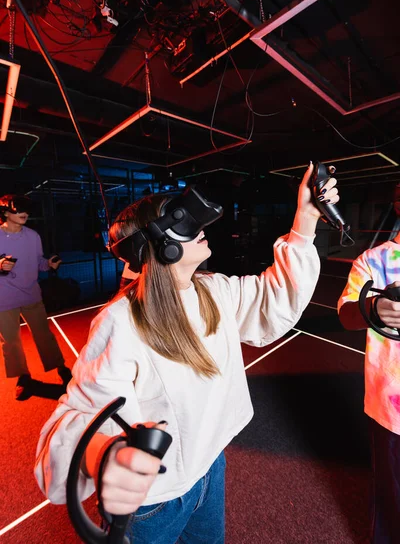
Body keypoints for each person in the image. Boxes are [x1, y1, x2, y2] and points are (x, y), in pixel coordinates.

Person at [35, 163, 338, 544]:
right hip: (155, 500)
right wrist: (103, 454)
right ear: (160, 243)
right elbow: (80, 415)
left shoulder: (212, 290)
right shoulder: (122, 321)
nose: (202, 228)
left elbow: (273, 301)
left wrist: (306, 218)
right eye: (185, 222)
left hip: (210, 467)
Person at [338, 182, 400, 544]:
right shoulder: (375, 260)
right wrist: (373, 308)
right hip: (391, 407)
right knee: (392, 498)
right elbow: (346, 314)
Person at [0, 194, 72, 401]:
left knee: (44, 334)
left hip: (31, 294)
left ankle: (62, 369)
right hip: (4, 299)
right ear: (5, 212)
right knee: (11, 342)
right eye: (18, 209)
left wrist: (48, 264)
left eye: (26, 209)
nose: (25, 213)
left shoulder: (33, 235)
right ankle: (23, 377)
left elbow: (38, 262)